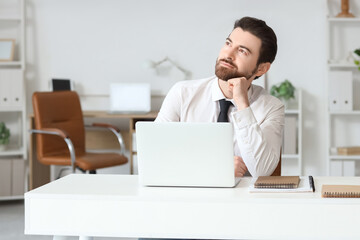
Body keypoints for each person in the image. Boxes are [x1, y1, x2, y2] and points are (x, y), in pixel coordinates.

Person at [155, 16, 284, 177]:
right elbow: (154, 154)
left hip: (242, 200)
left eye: (242, 51)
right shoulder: (182, 94)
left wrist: (242, 104)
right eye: (228, 43)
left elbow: (262, 171)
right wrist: (215, 167)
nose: (228, 54)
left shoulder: (271, 107)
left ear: (261, 69)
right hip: (188, 196)